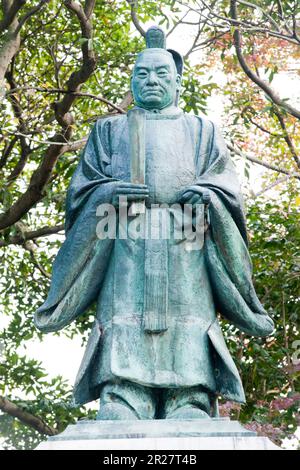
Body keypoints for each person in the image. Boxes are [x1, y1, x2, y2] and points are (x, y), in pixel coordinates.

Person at [34, 26, 274, 420]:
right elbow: (82, 192)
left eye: (162, 74)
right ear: (131, 80)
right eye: (142, 74)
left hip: (188, 237)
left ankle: (190, 397)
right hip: (123, 234)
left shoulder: (202, 130)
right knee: (125, 312)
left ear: (178, 82)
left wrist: (209, 197)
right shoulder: (109, 131)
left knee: (188, 313)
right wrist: (107, 194)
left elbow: (225, 187)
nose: (151, 80)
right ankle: (124, 394)